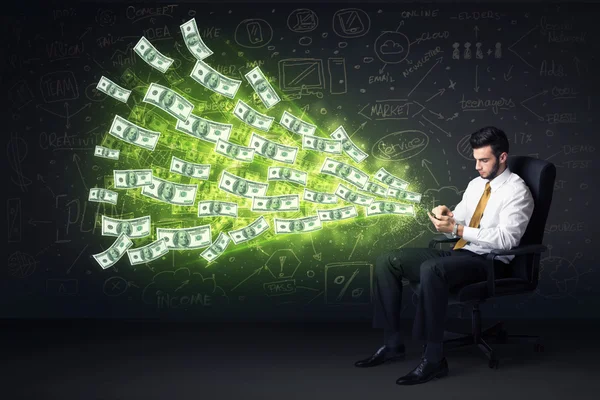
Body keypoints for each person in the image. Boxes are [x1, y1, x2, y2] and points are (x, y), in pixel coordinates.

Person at [355, 126, 534, 385]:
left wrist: (458, 229)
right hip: (461, 253)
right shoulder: (476, 184)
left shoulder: (518, 191)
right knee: (388, 261)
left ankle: (434, 359)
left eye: (484, 160)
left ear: (502, 157)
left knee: (431, 268)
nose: (478, 166)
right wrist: (445, 216)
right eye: (476, 159)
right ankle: (392, 343)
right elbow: (459, 217)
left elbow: (507, 240)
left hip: (490, 262)